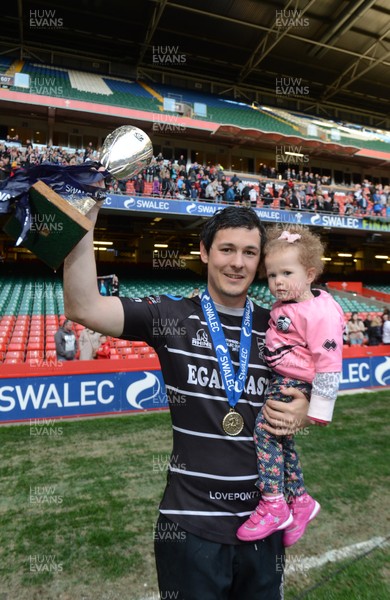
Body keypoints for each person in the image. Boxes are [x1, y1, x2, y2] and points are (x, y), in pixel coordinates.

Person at [63, 205, 311, 599]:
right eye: (226, 249)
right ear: (204, 251)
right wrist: (84, 221)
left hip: (266, 523)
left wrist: (304, 406)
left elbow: (313, 381)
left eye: (249, 252)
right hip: (189, 526)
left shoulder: (281, 326)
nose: (237, 263)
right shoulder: (172, 316)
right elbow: (84, 307)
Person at [237, 225, 344, 547]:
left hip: (294, 382)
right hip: (281, 378)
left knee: (266, 433)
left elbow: (328, 364)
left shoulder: (320, 312)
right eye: (271, 275)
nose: (277, 282)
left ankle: (274, 503)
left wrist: (318, 412)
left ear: (310, 274)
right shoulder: (289, 304)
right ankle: (300, 500)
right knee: (282, 442)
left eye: (286, 273)